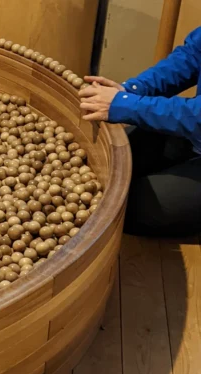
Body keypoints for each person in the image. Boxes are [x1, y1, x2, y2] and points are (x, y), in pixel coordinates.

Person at [79, 27, 201, 237]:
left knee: (121, 209)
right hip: (192, 131)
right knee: (103, 169)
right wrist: (132, 90)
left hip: (195, 122)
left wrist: (126, 105)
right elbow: (191, 56)